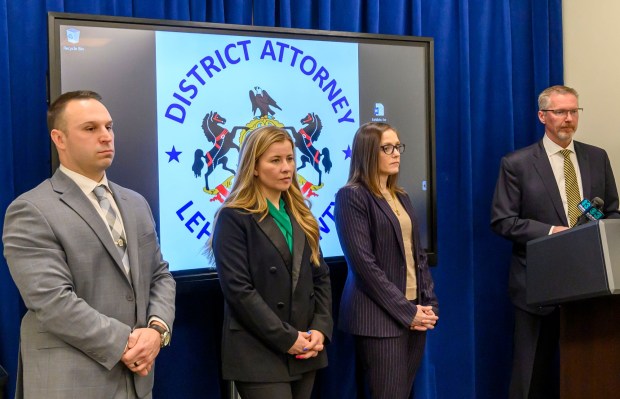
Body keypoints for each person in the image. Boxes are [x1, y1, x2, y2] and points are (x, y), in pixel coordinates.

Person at [2, 91, 176, 399]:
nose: (106, 137)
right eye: (90, 128)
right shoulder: (30, 209)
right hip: (71, 381)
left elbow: (160, 275)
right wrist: (128, 343)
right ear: (59, 138)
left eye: (109, 127)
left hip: (137, 380)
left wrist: (156, 331)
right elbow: (53, 302)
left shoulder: (135, 203)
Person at [491, 85, 620, 398]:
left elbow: (613, 212)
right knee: (530, 378)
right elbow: (503, 221)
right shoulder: (517, 164)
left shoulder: (596, 157)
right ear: (542, 116)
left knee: (592, 373)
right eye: (560, 112)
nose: (568, 119)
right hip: (537, 288)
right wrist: (552, 233)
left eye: (574, 111)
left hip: (591, 288)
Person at [210, 126, 333, 399]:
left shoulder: (300, 215)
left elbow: (321, 277)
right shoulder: (234, 217)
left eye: (290, 159)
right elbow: (239, 292)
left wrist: (320, 329)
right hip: (259, 351)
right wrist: (287, 338)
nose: (286, 167)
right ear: (253, 167)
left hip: (305, 346)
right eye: (275, 160)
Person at [334, 122, 439, 399]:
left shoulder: (401, 196)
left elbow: (418, 256)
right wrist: (407, 312)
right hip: (378, 318)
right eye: (387, 148)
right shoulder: (352, 196)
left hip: (414, 313)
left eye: (398, 147)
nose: (396, 154)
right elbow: (364, 266)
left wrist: (428, 305)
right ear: (368, 152)